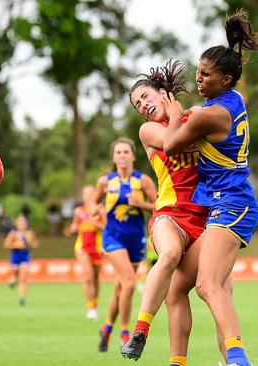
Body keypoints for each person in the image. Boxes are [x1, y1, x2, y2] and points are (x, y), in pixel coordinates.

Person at [162, 10, 258, 366]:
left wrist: (174, 117)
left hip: (232, 205)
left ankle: (238, 359)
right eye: (198, 71)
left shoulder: (209, 115)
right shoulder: (233, 102)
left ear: (226, 78)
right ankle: (190, 360)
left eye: (205, 75)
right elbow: (199, 124)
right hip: (225, 205)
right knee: (179, 286)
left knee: (208, 285)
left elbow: (170, 146)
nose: (198, 78)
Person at [122, 59, 233, 365]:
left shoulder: (197, 115)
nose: (142, 106)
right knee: (169, 255)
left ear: (163, 92)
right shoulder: (148, 131)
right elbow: (174, 144)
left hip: (207, 218)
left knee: (220, 292)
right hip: (169, 214)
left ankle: (232, 360)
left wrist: (191, 116)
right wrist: (177, 117)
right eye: (137, 104)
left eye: (145, 97)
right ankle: (141, 330)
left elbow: (220, 133)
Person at [91, 137, 157, 352]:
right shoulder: (105, 182)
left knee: (121, 288)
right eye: (118, 152)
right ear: (113, 157)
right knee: (129, 283)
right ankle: (125, 332)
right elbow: (93, 202)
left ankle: (107, 328)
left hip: (135, 239)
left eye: (126, 152)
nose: (122, 156)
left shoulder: (143, 181)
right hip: (113, 238)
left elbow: (159, 206)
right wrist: (95, 211)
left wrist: (141, 204)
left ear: (133, 156)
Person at [68, 186, 106, 320]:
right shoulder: (79, 211)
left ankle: (94, 305)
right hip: (82, 247)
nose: (89, 196)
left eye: (91, 194)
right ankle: (90, 307)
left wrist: (96, 224)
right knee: (88, 276)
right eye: (86, 194)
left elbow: (107, 226)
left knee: (95, 279)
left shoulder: (100, 210)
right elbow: (74, 225)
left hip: (98, 248)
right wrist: (72, 229)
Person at [3, 214, 39, 306]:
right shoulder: (13, 233)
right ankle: (13, 280)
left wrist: (30, 244)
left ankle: (22, 298)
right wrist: (17, 245)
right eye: (20, 222)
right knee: (15, 277)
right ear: (17, 224)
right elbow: (6, 245)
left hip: (25, 256)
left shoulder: (30, 233)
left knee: (23, 278)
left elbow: (36, 244)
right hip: (15, 256)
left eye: (24, 222)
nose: (22, 224)